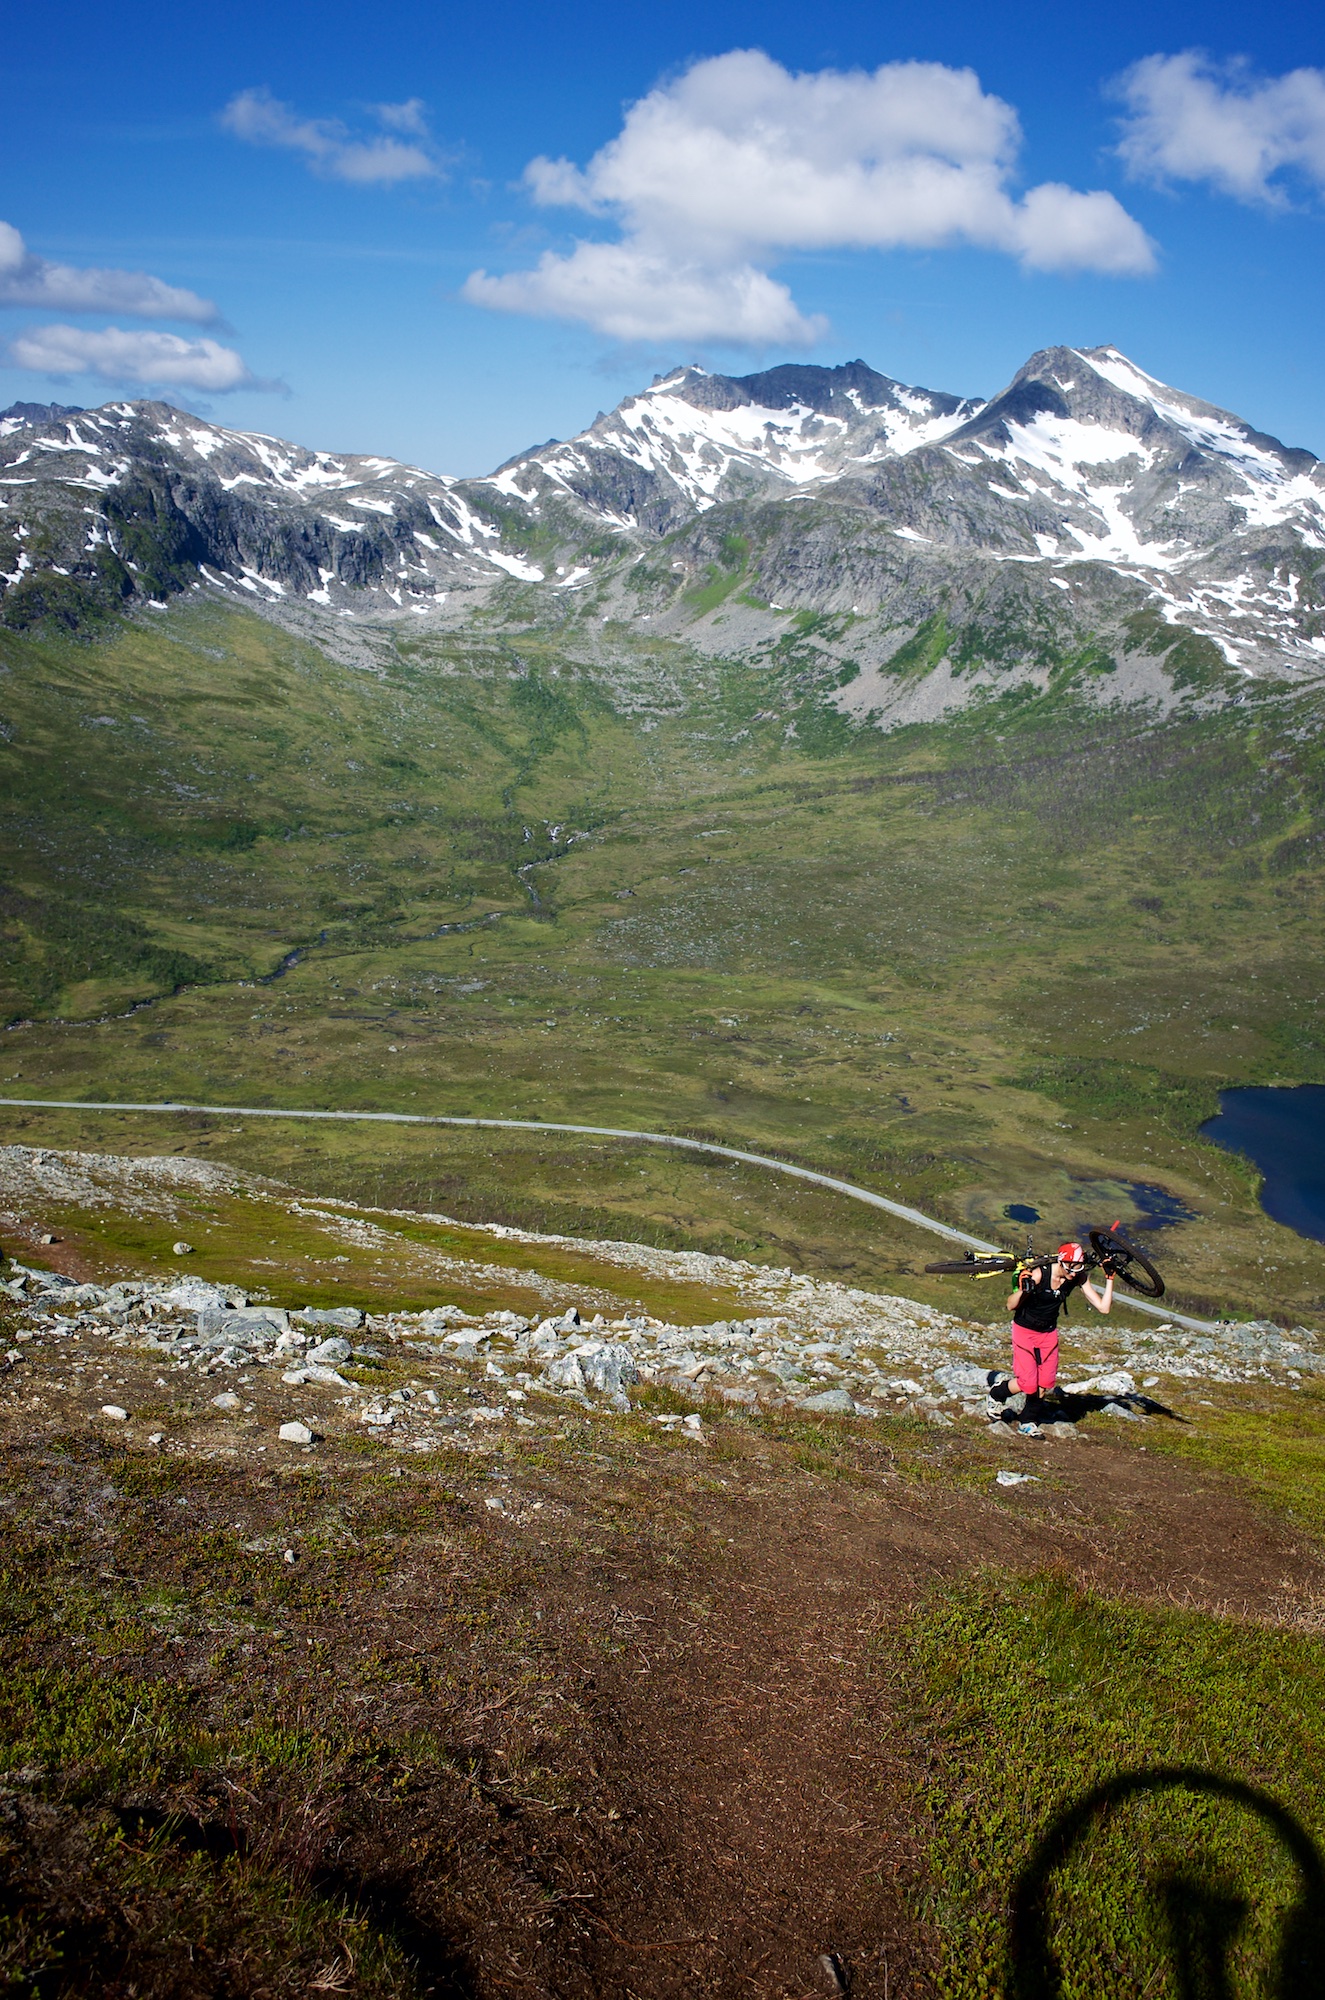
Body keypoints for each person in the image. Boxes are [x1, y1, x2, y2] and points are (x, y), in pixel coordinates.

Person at [1000, 1241, 1113, 1419]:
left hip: (1048, 1332)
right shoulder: (1039, 1274)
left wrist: (1109, 1279)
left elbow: (1104, 1308)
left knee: (1044, 1383)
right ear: (1061, 1262)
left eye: (1078, 1268)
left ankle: (1028, 1421)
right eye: (1070, 1267)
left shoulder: (1077, 1277)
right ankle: (996, 1395)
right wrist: (1024, 1290)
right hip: (1025, 1330)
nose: (1073, 1272)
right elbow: (1010, 1305)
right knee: (1027, 1383)